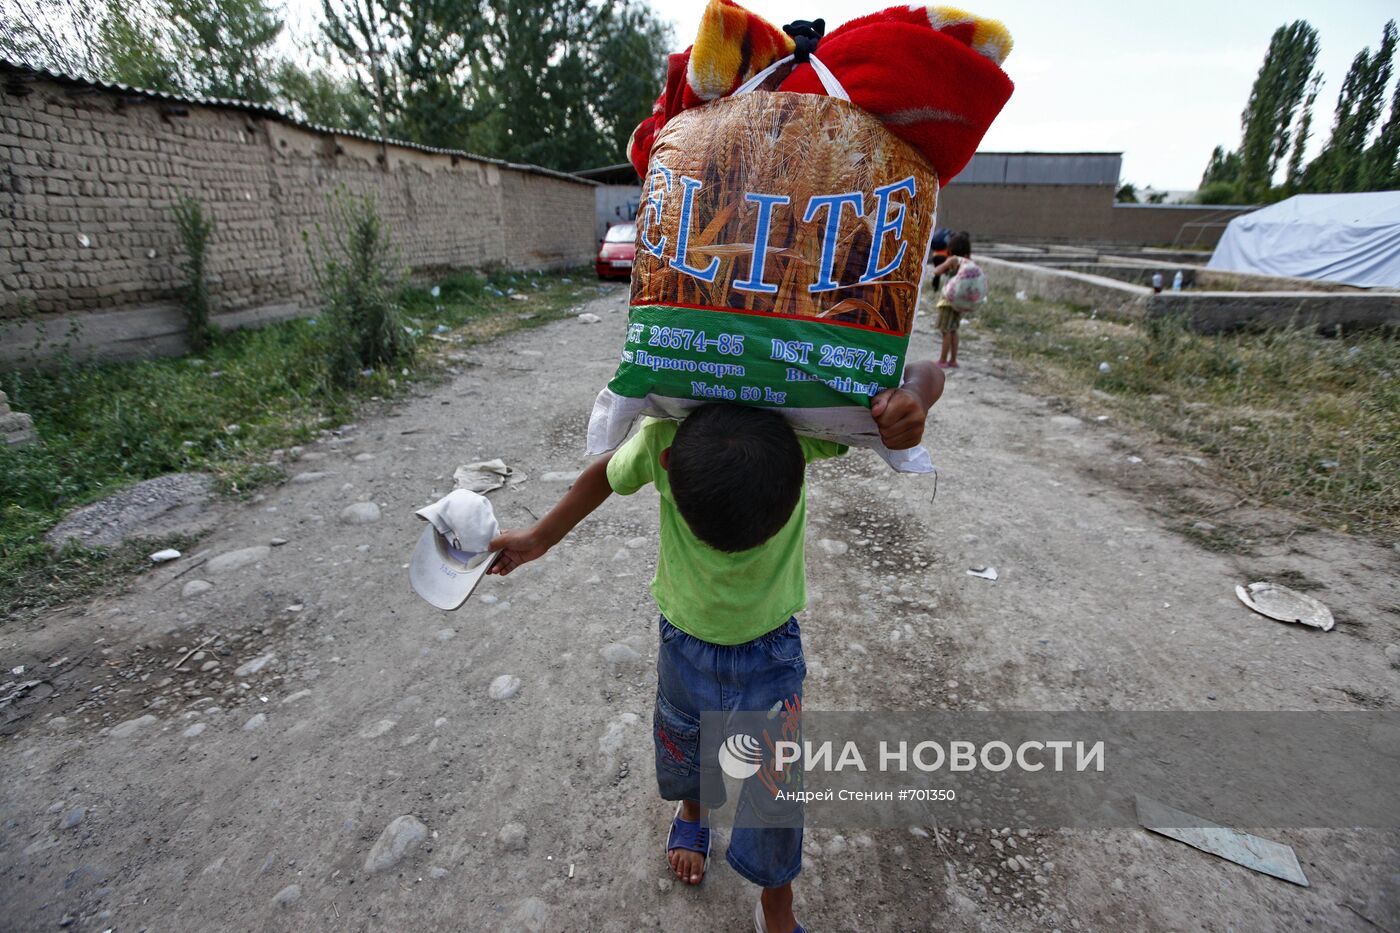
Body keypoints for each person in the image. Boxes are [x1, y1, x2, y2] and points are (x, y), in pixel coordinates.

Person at [487, 366, 943, 933]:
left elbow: (926, 369)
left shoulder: (793, 439)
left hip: (771, 651)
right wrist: (539, 537)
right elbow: (604, 471)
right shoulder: (662, 437)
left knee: (775, 784)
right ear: (668, 468)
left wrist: (915, 397)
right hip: (684, 640)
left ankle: (777, 900)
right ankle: (694, 809)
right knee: (684, 739)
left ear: (801, 472)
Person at [930, 230, 973, 369]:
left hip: (947, 302)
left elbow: (936, 271)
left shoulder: (954, 261)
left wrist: (946, 262)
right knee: (954, 330)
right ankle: (953, 360)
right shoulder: (968, 262)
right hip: (959, 302)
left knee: (945, 330)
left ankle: (942, 360)